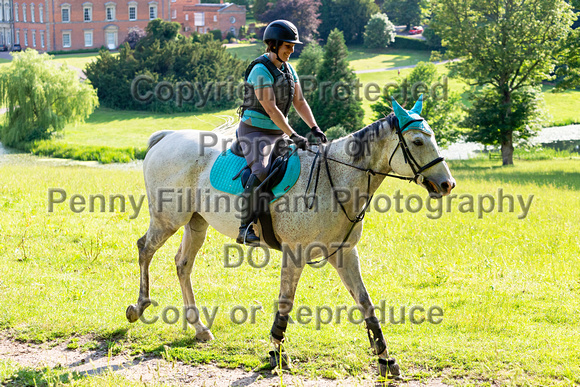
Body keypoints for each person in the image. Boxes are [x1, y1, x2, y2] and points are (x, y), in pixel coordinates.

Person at [236, 19, 327, 246]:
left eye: (293, 47)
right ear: (274, 45)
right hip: (254, 131)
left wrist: (314, 127)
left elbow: (300, 102)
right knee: (262, 170)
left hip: (278, 131)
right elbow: (271, 109)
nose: (292, 51)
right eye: (288, 46)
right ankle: (245, 226)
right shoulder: (260, 70)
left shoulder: (288, 69)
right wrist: (294, 134)